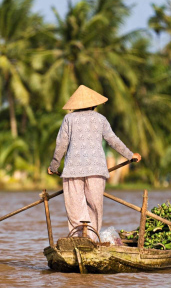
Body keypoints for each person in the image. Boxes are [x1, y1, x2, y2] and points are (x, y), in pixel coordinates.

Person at [48, 85, 141, 241]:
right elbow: (113, 140)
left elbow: (61, 145)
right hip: (96, 170)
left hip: (73, 170)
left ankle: (80, 239)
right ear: (94, 104)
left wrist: (54, 166)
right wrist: (131, 155)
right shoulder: (100, 119)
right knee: (95, 207)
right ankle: (91, 239)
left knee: (75, 208)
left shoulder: (68, 119)